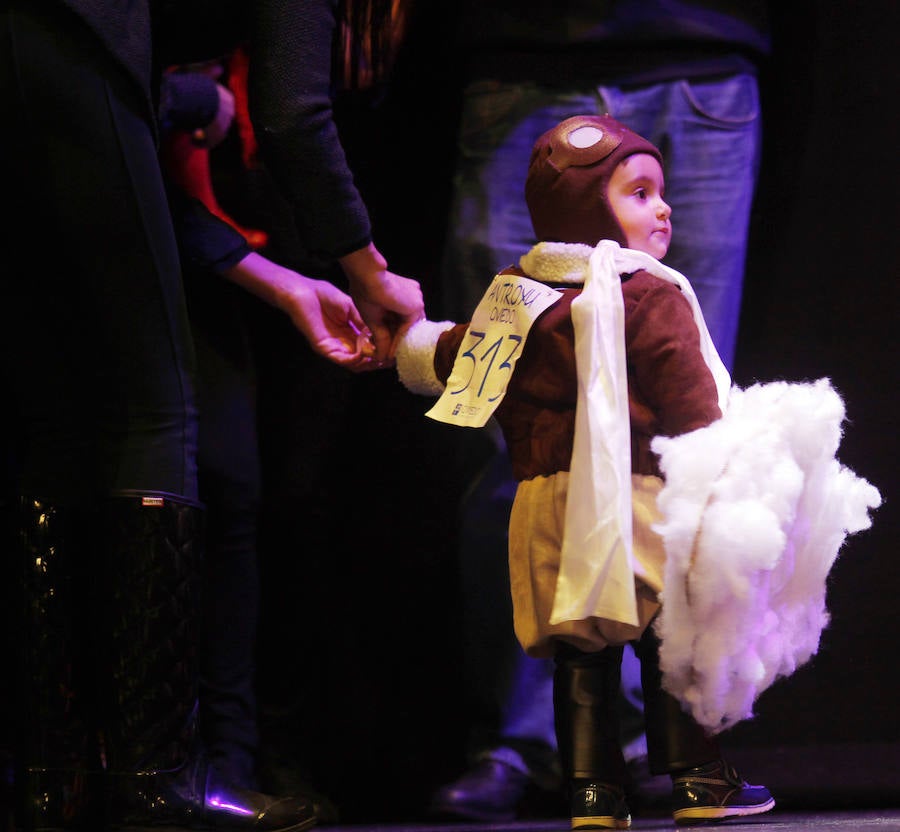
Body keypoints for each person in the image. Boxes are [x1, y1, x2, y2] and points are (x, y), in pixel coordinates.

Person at [1, 1, 421, 830]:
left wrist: (291, 285)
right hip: (65, 39)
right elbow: (293, 113)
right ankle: (156, 778)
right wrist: (369, 268)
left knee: (50, 421)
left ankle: (55, 777)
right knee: (155, 413)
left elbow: (120, 163)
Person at [430, 0, 771, 819]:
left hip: (697, 54)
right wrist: (413, 346)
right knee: (516, 444)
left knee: (679, 445)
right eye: (641, 196)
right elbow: (471, 362)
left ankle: (656, 747)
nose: (658, 208)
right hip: (525, 64)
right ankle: (527, 741)